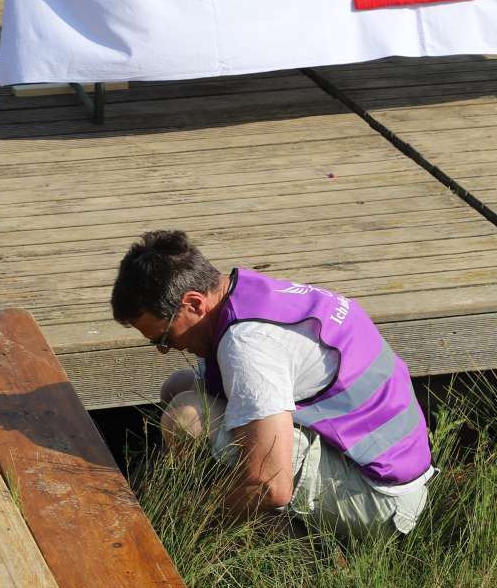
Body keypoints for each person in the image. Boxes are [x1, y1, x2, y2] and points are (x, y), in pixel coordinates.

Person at [111, 230, 434, 539]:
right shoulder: (245, 292)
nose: (167, 350)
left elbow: (270, 485)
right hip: (377, 459)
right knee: (178, 386)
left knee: (188, 420)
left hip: (381, 501)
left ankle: (279, 542)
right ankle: (227, 505)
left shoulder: (249, 344)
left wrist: (190, 522)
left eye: (166, 338)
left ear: (194, 303)